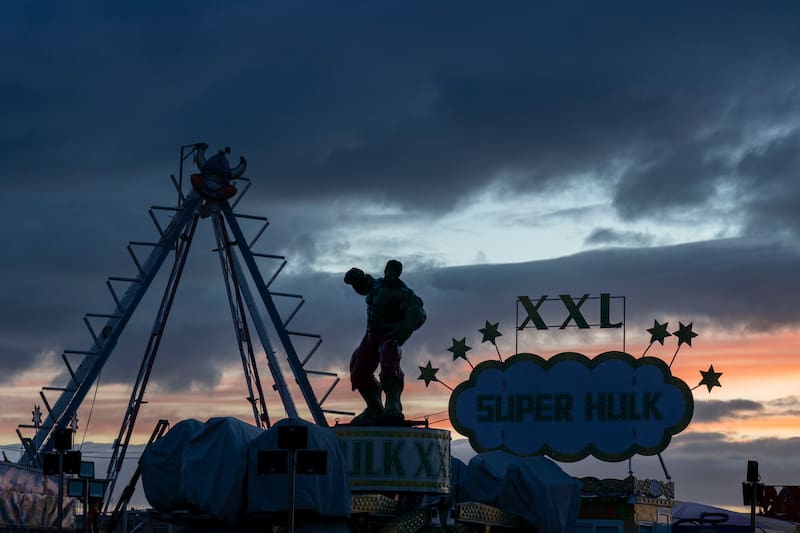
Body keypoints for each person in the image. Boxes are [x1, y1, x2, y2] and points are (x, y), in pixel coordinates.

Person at [344, 259, 426, 424]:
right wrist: (355, 278)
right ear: (385, 270)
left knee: (390, 366)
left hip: (389, 335)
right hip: (371, 335)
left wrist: (404, 329)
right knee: (358, 370)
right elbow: (363, 286)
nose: (390, 273)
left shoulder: (403, 293)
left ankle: (393, 404)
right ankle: (374, 407)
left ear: (398, 273)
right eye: (389, 270)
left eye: (394, 271)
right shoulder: (376, 285)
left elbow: (418, 312)